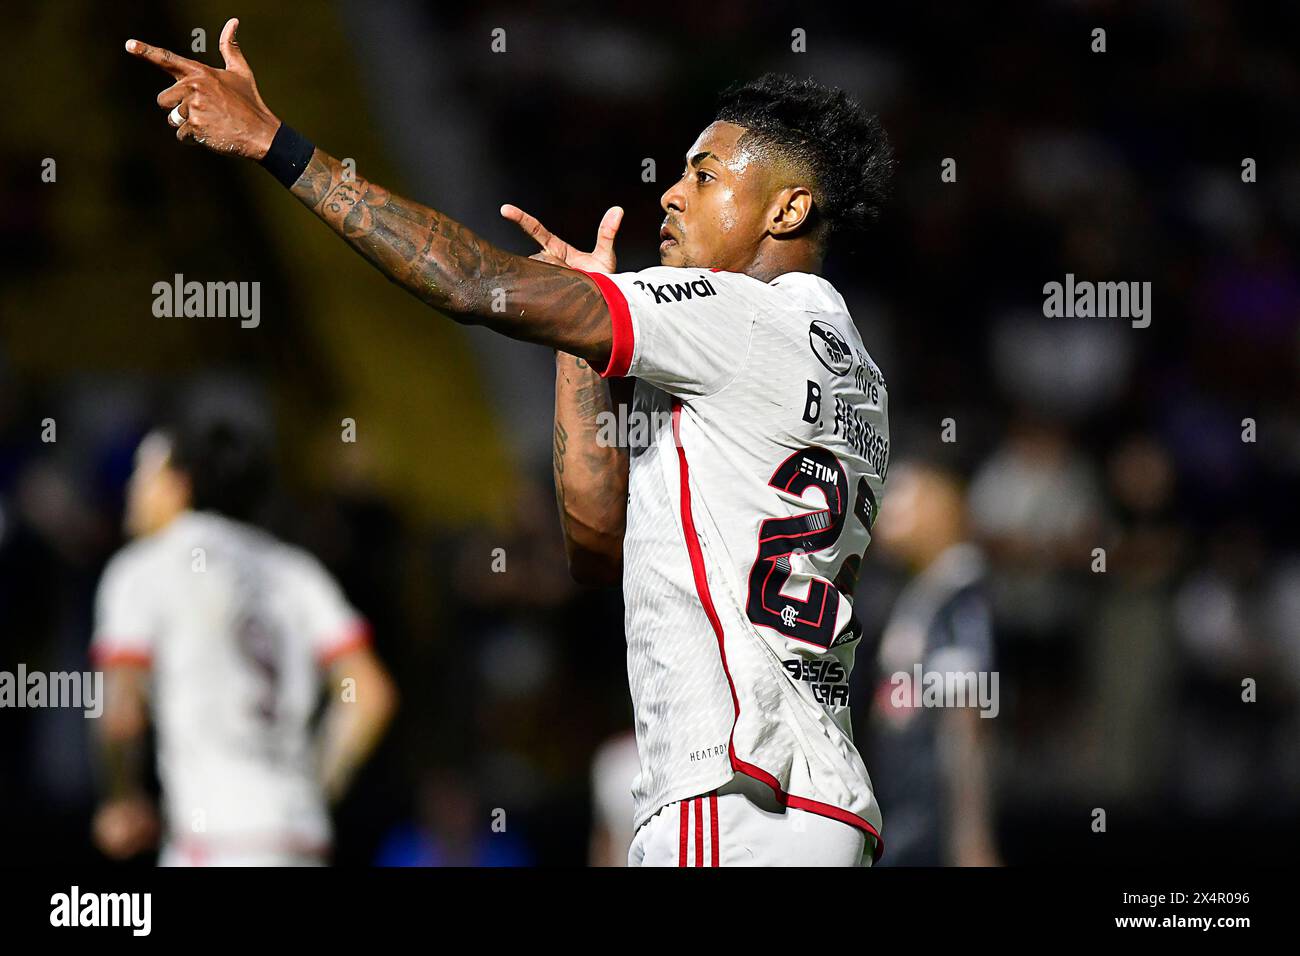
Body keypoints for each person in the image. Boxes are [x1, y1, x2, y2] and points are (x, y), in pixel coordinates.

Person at [124, 20, 892, 865]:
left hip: (734, 794)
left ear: (788, 208)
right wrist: (581, 343)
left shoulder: (736, 315)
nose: (672, 194)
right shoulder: (851, 368)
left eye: (704, 177)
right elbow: (598, 544)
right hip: (817, 803)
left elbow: (473, 284)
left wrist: (278, 145)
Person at [91, 416, 397, 865]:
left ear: (181, 484)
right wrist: (311, 788)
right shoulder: (296, 570)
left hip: (213, 840)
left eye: (145, 473)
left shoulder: (144, 570)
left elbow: (120, 712)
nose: (134, 489)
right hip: (300, 838)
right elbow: (370, 695)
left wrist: (122, 798)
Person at [867, 461, 1001, 866]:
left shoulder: (960, 594)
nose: (884, 514)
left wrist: (971, 835)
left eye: (903, 502)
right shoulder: (926, 589)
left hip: (930, 813)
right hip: (903, 800)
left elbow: (967, 712)